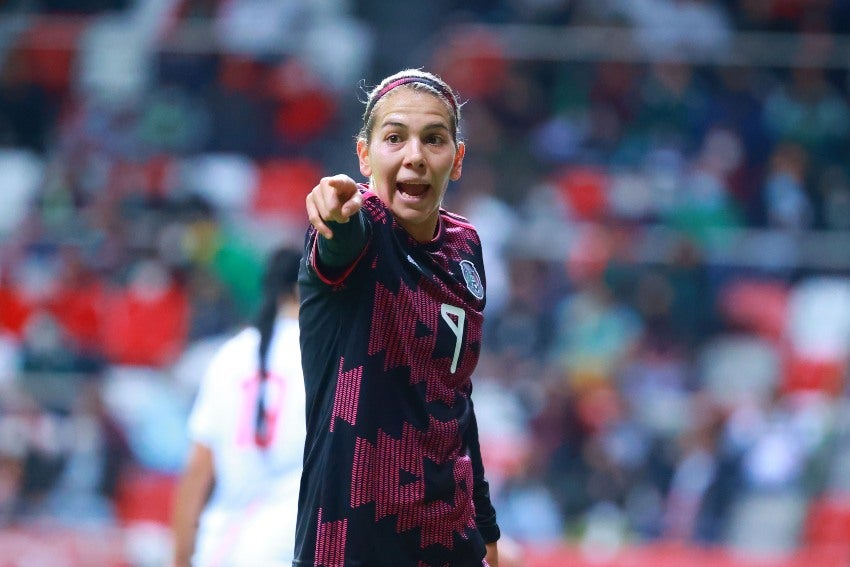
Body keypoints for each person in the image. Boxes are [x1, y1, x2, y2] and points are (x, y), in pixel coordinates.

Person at [296, 68, 502, 566]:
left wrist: (488, 531)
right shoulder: (362, 230)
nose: (414, 156)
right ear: (364, 154)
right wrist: (335, 212)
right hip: (351, 546)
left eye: (434, 139)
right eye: (394, 138)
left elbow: (456, 396)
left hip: (450, 544)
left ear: (456, 160)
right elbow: (341, 236)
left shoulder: (465, 248)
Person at [171, 247, 305, 567]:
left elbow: (197, 473)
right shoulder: (325, 354)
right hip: (291, 541)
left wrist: (179, 559)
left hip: (222, 542)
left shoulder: (229, 354)